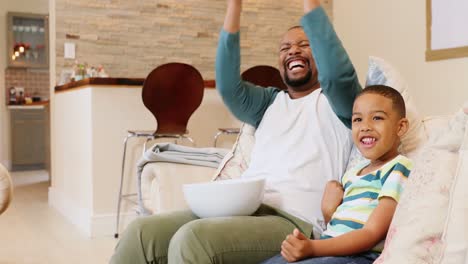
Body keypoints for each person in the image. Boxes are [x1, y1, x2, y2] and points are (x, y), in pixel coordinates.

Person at [110, 0, 361, 263]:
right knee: (141, 233)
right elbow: (229, 87)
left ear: (320, 52)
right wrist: (235, 6)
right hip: (244, 207)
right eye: (285, 48)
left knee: (193, 239)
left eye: (305, 45)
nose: (293, 51)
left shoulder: (341, 102)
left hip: (294, 221)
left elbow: (336, 74)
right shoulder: (269, 103)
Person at [262, 85, 413, 264]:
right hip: (329, 249)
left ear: (401, 127)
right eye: (358, 119)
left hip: (359, 256)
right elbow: (338, 227)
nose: (365, 127)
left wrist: (313, 248)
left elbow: (371, 233)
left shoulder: (399, 167)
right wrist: (328, 211)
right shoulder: (352, 174)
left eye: (377, 118)